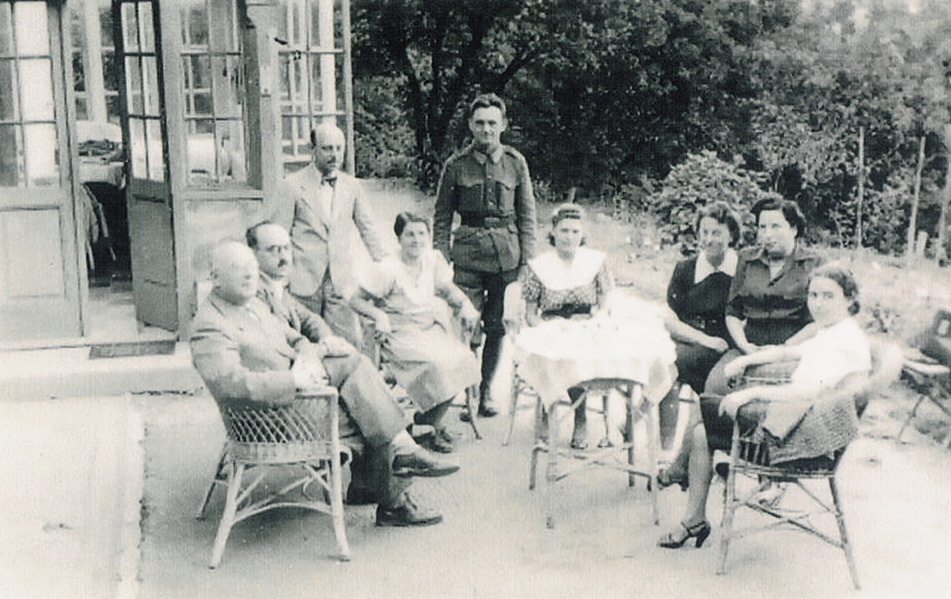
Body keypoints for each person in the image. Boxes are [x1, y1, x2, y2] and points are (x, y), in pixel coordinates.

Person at [191, 242, 460, 527]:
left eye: (252, 267)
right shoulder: (211, 325)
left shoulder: (252, 304)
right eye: (238, 268)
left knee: (355, 371)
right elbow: (230, 385)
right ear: (215, 277)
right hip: (270, 420)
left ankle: (384, 476)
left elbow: (294, 337)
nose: (249, 274)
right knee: (369, 410)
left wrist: (310, 356)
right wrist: (293, 380)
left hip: (298, 398)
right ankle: (394, 492)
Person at [656, 263, 871, 549]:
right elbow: (793, 352)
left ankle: (689, 496)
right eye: (814, 295)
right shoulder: (835, 331)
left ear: (850, 299)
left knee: (706, 416)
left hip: (804, 438)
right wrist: (746, 360)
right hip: (800, 418)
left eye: (828, 296)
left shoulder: (844, 341)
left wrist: (750, 394)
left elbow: (809, 391)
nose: (818, 304)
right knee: (707, 413)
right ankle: (694, 499)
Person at [247, 221, 401, 504]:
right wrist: (318, 349)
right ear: (253, 254)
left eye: (286, 248)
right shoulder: (252, 293)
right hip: (284, 407)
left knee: (361, 385)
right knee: (366, 400)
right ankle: (393, 492)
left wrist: (327, 338)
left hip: (295, 391)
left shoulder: (275, 287)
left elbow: (308, 319)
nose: (283, 256)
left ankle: (373, 482)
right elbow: (281, 343)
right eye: (273, 250)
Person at [434, 93, 537, 420]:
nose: (486, 129)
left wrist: (528, 264)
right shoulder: (456, 165)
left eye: (492, 123)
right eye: (480, 123)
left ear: (503, 125)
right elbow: (441, 218)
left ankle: (487, 390)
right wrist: (440, 262)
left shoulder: (516, 163)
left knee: (497, 327)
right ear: (470, 125)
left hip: (507, 257)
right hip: (467, 258)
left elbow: (527, 216)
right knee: (466, 325)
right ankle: (469, 390)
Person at [350, 212, 481, 453]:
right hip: (399, 334)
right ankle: (430, 425)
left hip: (428, 330)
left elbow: (447, 289)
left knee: (464, 360)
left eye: (421, 234)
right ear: (399, 238)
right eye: (410, 234)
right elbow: (355, 299)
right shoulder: (388, 268)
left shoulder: (432, 260)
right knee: (436, 365)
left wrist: (465, 304)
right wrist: (379, 316)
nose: (416, 240)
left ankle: (426, 420)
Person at [273, 122, 387, 349]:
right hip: (303, 281)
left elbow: (368, 229)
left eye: (338, 148)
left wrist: (386, 266)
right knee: (305, 344)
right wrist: (278, 279)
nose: (334, 155)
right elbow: (278, 234)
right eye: (327, 148)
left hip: (341, 282)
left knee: (349, 344)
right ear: (312, 149)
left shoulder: (352, 186)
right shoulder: (292, 185)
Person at [656, 202, 740, 488]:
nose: (709, 239)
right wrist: (703, 339)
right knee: (663, 369)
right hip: (692, 342)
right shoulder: (685, 268)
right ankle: (665, 452)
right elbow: (670, 319)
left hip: (726, 348)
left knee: (710, 393)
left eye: (717, 233)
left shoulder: (741, 269)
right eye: (704, 232)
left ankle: (683, 464)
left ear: (731, 235)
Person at [703, 196, 823, 395]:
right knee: (715, 388)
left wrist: (784, 348)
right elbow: (733, 311)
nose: (767, 235)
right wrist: (744, 346)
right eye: (762, 227)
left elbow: (819, 320)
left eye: (775, 227)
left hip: (793, 349)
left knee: (777, 395)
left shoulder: (813, 263)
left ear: (793, 229)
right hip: (749, 346)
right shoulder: (747, 259)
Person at [520, 203, 613, 449]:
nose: (569, 237)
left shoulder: (596, 262)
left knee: (578, 353)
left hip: (585, 326)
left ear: (582, 234)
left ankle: (580, 417)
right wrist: (546, 329)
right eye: (564, 231)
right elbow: (530, 314)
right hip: (551, 325)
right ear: (553, 232)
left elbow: (604, 305)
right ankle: (546, 412)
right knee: (551, 352)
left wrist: (596, 322)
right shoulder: (538, 266)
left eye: (575, 231)